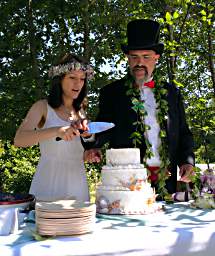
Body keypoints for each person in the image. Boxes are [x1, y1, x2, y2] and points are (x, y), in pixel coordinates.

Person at [83, 19, 195, 195]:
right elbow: (104, 129)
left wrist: (187, 161)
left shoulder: (172, 93)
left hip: (167, 177)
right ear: (127, 58)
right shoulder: (112, 93)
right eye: (134, 57)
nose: (139, 63)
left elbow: (183, 132)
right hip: (128, 181)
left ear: (156, 58)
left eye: (146, 57)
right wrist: (90, 138)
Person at [14, 53, 94, 202]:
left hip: (78, 188)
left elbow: (72, 152)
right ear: (60, 79)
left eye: (82, 79)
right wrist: (56, 131)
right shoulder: (42, 107)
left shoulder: (81, 112)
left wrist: (88, 154)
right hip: (48, 186)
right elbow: (19, 140)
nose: (78, 84)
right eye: (72, 78)